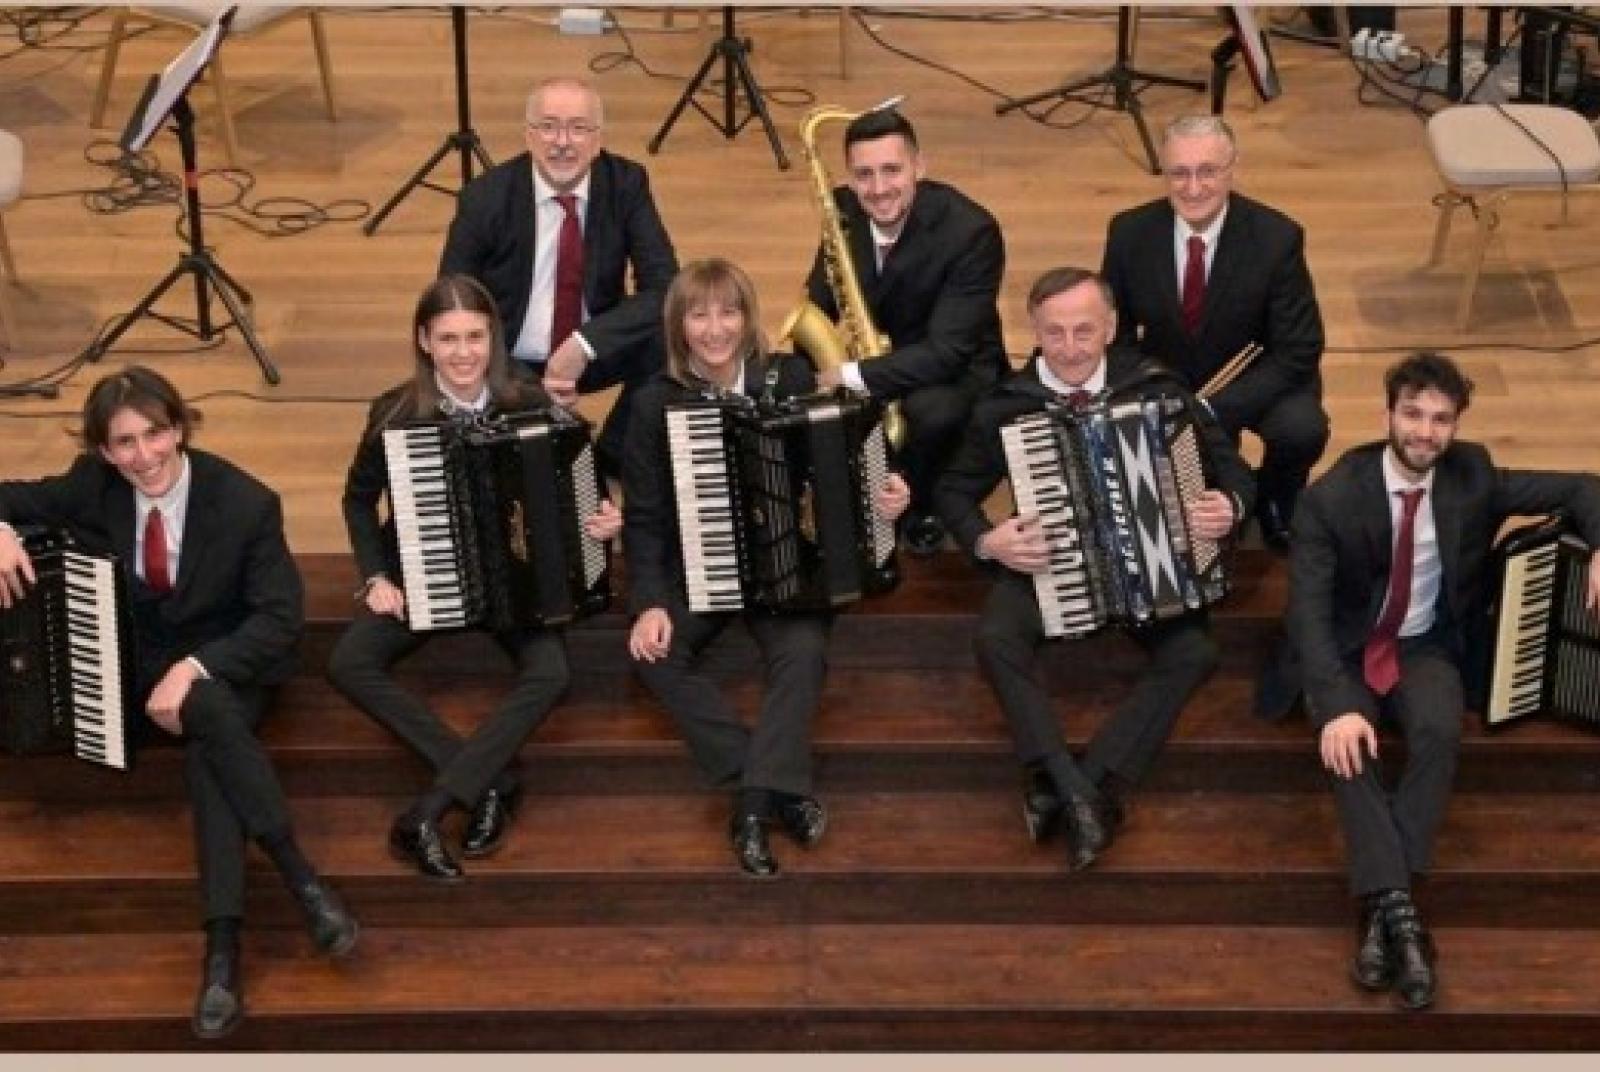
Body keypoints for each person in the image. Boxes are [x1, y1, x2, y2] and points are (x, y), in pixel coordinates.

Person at [0, 365, 358, 1041]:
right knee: (211, 742)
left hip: (229, 666)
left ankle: (222, 956)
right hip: (137, 679)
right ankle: (304, 883)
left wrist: (194, 670)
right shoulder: (94, 485)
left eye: (155, 435)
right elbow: (10, 495)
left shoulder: (246, 501)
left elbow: (280, 622)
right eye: (125, 443)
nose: (145, 457)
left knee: (212, 724)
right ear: (105, 451)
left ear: (179, 427)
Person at [1275, 351, 1600, 1010]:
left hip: (1425, 644)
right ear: (1388, 413)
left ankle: (1379, 913)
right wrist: (1337, 704)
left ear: (1456, 425)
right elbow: (1306, 615)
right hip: (1346, 647)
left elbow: (1583, 487)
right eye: (1413, 414)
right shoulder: (1331, 498)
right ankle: (1404, 918)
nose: (1425, 431)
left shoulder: (1472, 475)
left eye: (1440, 419)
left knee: (1436, 730)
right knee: (1348, 747)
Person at [935, 267, 1254, 871]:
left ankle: (1077, 785)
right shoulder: (1007, 405)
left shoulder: (1157, 389)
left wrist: (1228, 507)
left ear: (1110, 328)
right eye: (1054, 333)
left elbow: (1234, 472)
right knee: (995, 640)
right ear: (1034, 331)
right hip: (1048, 566)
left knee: (1195, 652)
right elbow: (953, 490)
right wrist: (987, 541)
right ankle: (1082, 791)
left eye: (1085, 331)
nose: (1071, 347)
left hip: (1150, 573)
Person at [328, 274, 622, 883]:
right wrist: (376, 576)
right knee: (349, 662)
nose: (465, 353)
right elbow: (358, 502)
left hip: (514, 584)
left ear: (493, 339)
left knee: (552, 672)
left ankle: (431, 810)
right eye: (449, 339)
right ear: (424, 341)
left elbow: (587, 478)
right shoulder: (396, 413)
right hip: (423, 570)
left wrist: (605, 519)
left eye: (476, 338)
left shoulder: (530, 401)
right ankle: (487, 779)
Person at [624, 258, 911, 876]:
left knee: (803, 654)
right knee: (654, 655)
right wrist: (648, 601)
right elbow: (644, 517)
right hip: (702, 572)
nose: (715, 329)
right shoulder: (654, 404)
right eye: (699, 315)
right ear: (679, 326)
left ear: (747, 318)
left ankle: (753, 804)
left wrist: (884, 496)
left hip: (788, 573)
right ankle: (778, 785)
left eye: (728, 312)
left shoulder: (788, 378)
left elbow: (845, 466)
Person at [1101, 114, 1327, 551]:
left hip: (1253, 379)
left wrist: (1213, 408)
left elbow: (1298, 349)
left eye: (1208, 171)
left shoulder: (1277, 238)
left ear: (1232, 167)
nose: (1193, 188)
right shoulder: (1129, 233)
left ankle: (1276, 499)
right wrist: (1155, 388)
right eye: (1179, 173)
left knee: (1301, 428)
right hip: (1168, 376)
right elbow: (1117, 330)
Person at [439, 75, 679, 475]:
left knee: (675, 336)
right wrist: (517, 379)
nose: (562, 142)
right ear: (527, 136)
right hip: (511, 356)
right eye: (548, 126)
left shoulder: (627, 184)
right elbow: (451, 297)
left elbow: (666, 285)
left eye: (578, 128)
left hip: (591, 348)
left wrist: (584, 344)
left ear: (598, 139)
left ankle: (614, 456)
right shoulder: (484, 197)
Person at [802, 107, 1008, 556]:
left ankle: (917, 503)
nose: (877, 189)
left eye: (892, 170)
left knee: (931, 412)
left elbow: (948, 351)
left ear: (920, 166)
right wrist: (788, 368)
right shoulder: (842, 211)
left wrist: (852, 376)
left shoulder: (971, 232)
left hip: (955, 369)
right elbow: (821, 297)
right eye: (864, 175)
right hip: (879, 355)